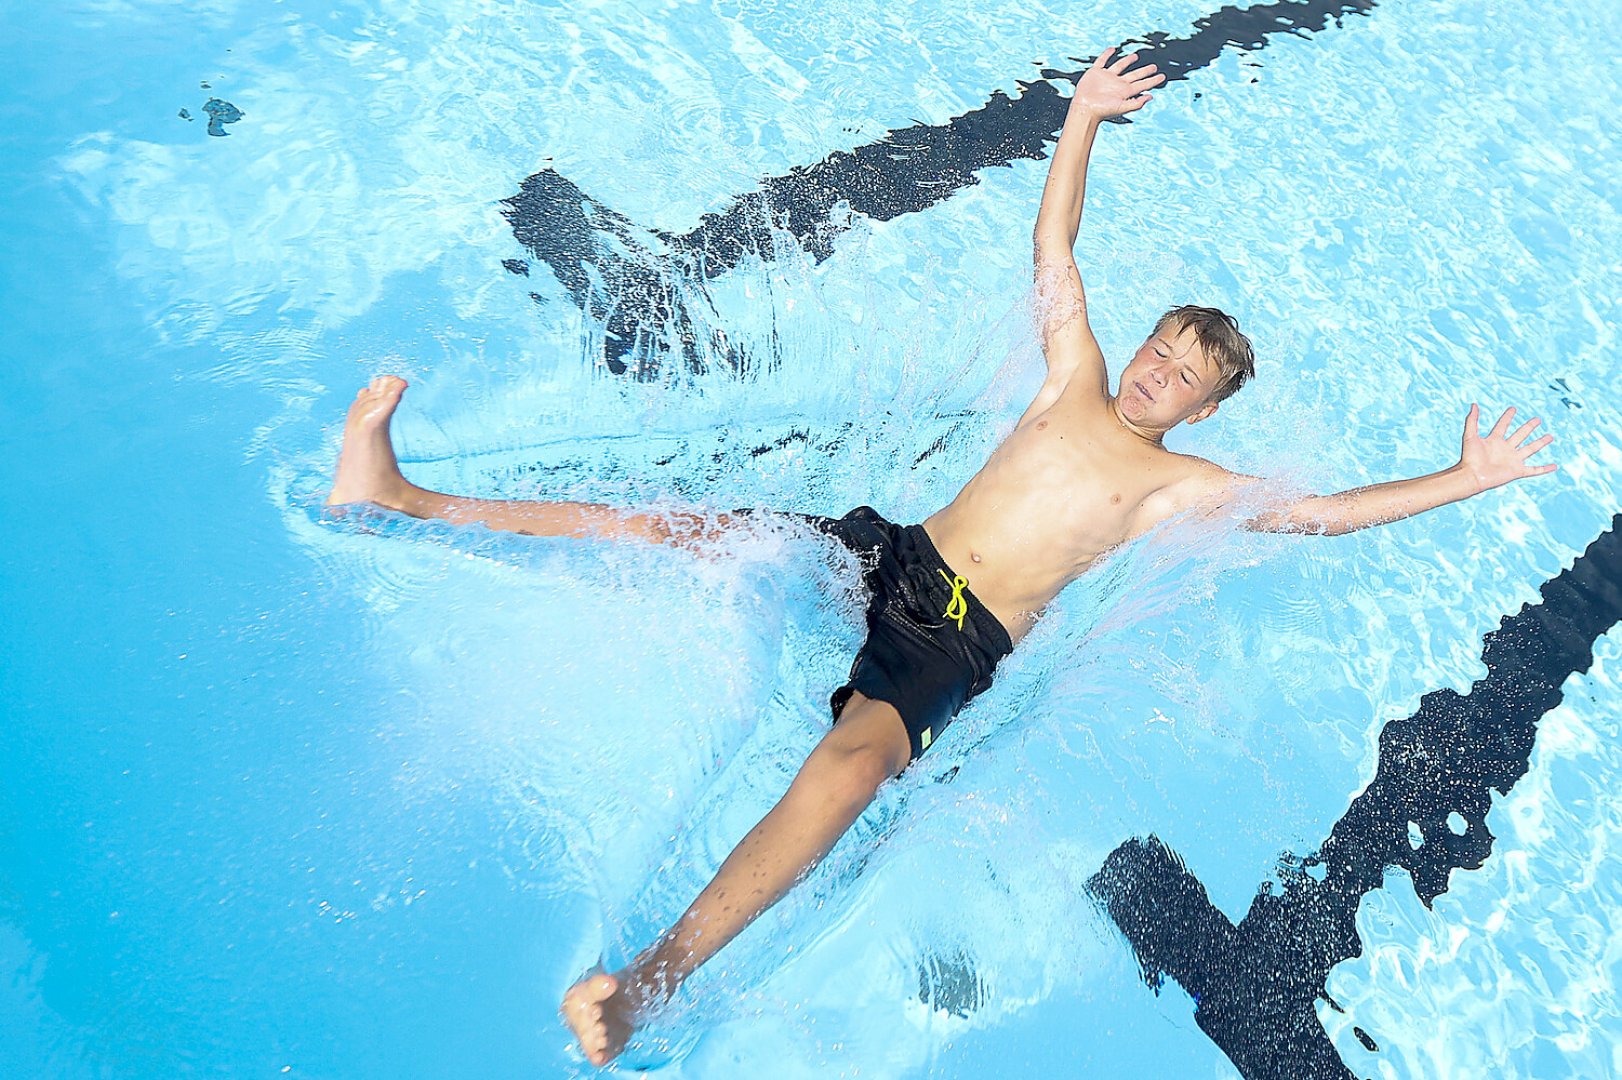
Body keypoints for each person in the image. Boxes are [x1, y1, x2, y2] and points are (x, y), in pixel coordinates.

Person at [325, 47, 1557, 1066]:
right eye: (1158, 347)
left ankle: (649, 984)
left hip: (952, 646)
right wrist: (1077, 117)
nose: (1154, 371)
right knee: (682, 527)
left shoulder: (1179, 485)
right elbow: (1054, 254)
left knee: (849, 772)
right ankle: (403, 498)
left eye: (1183, 375)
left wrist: (1462, 478)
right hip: (891, 555)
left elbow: (1326, 514)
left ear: (1202, 409)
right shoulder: (1073, 379)